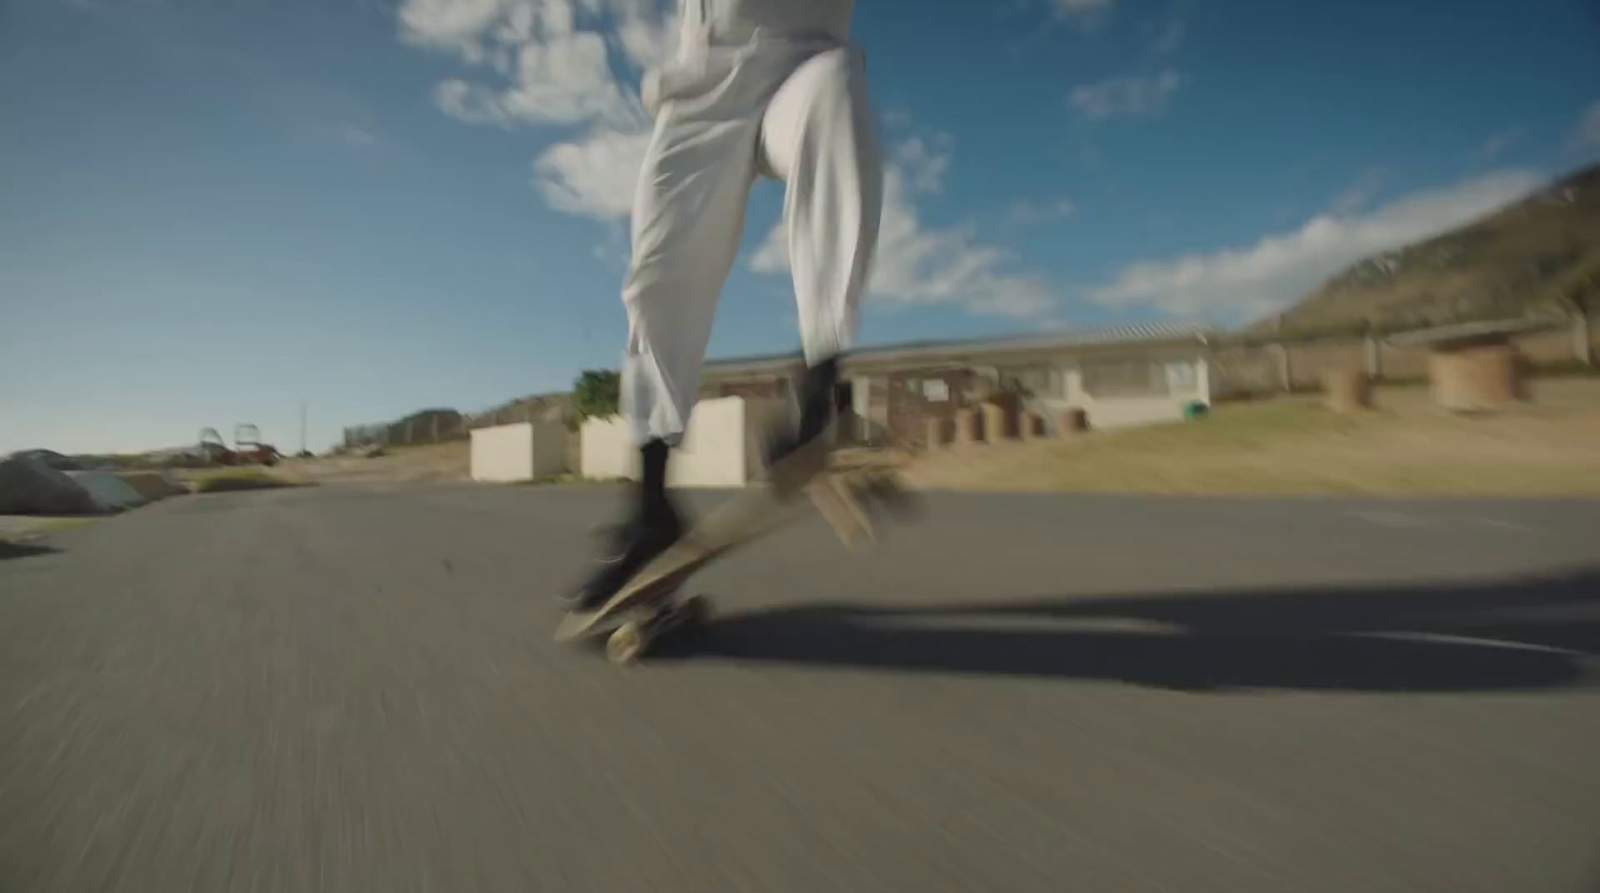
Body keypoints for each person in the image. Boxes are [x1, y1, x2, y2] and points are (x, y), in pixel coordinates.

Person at [564, 0, 883, 611]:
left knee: (836, 97)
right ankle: (650, 510)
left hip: (805, 62)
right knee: (659, 280)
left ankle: (819, 380)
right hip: (703, 82)